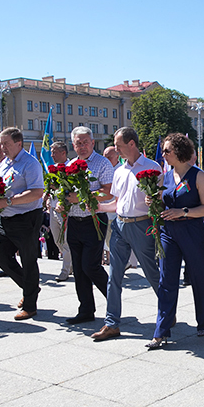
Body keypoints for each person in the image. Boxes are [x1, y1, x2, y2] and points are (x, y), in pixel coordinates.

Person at [90, 127, 162, 341]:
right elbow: (116, 203)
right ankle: (111, 323)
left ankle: (168, 311)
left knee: (152, 274)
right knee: (114, 277)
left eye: (119, 145)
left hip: (142, 226)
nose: (115, 148)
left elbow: (158, 200)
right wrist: (98, 207)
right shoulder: (119, 171)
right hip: (120, 227)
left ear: (132, 144)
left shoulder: (152, 168)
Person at [146, 133, 204, 349]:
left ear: (179, 151)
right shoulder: (164, 177)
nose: (164, 154)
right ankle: (161, 331)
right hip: (168, 232)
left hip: (191, 230)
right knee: (166, 280)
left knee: (199, 277)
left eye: (167, 150)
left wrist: (183, 212)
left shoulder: (198, 175)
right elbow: (161, 203)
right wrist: (152, 200)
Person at [61, 126, 114, 324]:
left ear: (93, 143)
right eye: (78, 143)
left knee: (90, 266)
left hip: (94, 220)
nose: (82, 146)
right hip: (74, 220)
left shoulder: (102, 163)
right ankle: (85, 310)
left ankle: (113, 300)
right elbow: (66, 192)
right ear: (73, 145)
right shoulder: (71, 164)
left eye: (85, 142)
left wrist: (82, 196)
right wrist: (63, 200)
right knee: (79, 268)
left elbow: (108, 192)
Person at [0, 127, 46, 320]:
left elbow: (37, 192)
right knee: (0, 256)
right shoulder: (3, 164)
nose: (2, 147)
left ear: (18, 143)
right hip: (4, 217)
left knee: (28, 260)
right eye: (1, 143)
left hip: (26, 218)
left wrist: (8, 201)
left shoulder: (30, 164)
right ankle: (30, 287)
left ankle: (30, 305)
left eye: (6, 143)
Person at [46, 141, 72, 281]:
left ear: (63, 153)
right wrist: (48, 198)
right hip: (53, 209)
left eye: (54, 152)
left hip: (65, 211)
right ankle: (71, 263)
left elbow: (72, 190)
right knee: (57, 240)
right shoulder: (52, 169)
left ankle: (65, 270)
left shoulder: (70, 168)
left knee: (66, 241)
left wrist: (64, 202)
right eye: (51, 152)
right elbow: (49, 188)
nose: (52, 155)